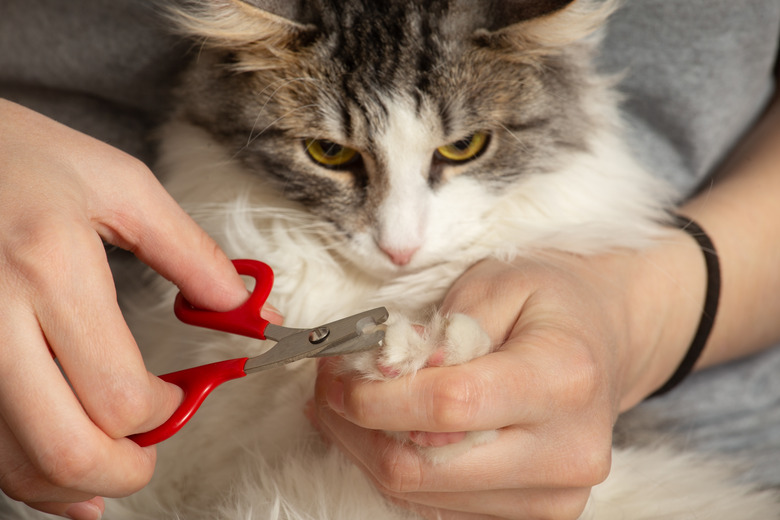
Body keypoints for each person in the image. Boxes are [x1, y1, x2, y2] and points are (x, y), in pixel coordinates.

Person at [1, 2, 779, 520]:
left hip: (704, 430)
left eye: (464, 145)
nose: (399, 238)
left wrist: (647, 313)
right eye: (332, 151)